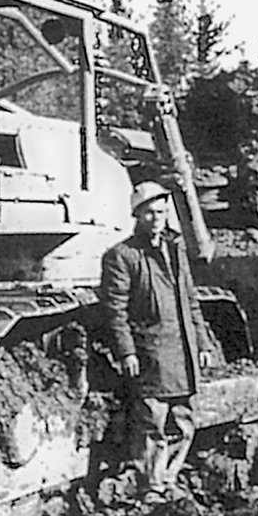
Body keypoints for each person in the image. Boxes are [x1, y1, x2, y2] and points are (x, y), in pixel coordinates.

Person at [100, 179, 212, 499]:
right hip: (151, 350)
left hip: (182, 347)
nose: (156, 218)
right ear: (137, 216)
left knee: (183, 421)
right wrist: (127, 352)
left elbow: (190, 300)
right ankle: (150, 484)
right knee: (152, 421)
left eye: (161, 212)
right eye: (149, 213)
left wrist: (202, 342)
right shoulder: (122, 256)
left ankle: (169, 479)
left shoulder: (176, 248)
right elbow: (115, 310)